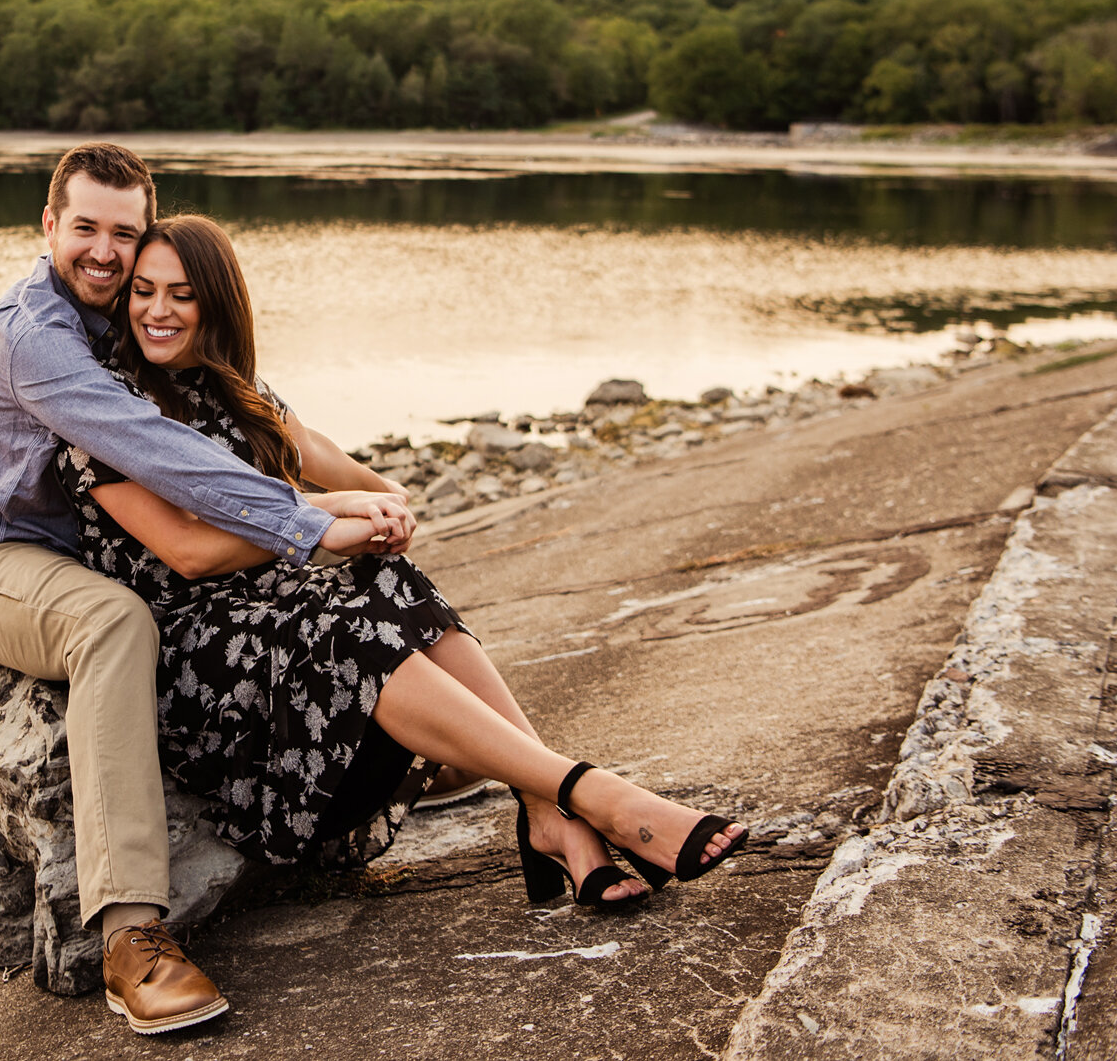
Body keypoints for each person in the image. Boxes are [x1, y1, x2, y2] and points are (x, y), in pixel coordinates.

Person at [54, 214, 748, 915]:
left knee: (391, 582)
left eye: (181, 293)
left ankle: (546, 808)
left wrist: (385, 496)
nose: (157, 310)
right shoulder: (104, 407)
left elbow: (309, 449)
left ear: (217, 302)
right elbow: (189, 551)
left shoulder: (227, 381)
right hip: (206, 673)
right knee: (346, 631)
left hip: (276, 624)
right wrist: (325, 519)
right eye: (142, 291)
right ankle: (596, 794)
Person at [0, 144, 415, 1037]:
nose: (107, 253)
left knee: (335, 586)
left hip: (85, 554)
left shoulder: (122, 311)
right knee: (114, 621)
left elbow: (252, 411)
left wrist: (374, 490)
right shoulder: (36, 338)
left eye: (125, 232)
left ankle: (420, 736)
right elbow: (162, 453)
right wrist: (306, 520)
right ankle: (129, 935)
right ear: (47, 227)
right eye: (86, 230)